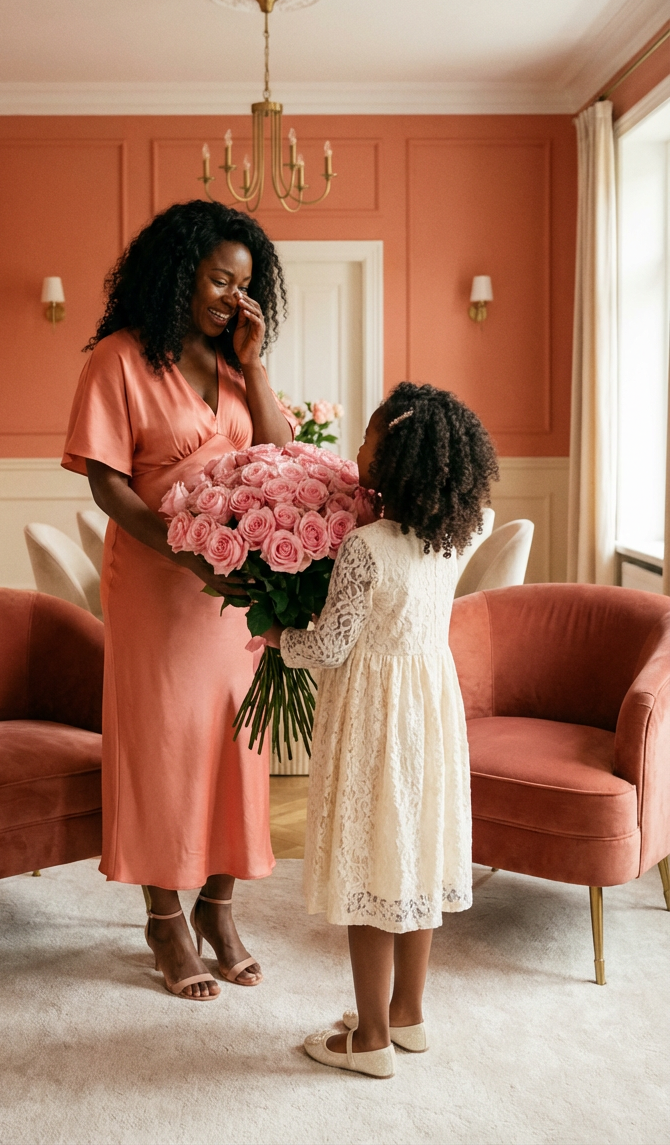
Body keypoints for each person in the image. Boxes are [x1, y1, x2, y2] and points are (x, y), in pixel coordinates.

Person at [62, 200, 293, 1001]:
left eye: (245, 285)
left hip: (238, 598)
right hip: (160, 586)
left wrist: (255, 365)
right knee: (165, 748)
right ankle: (166, 919)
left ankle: (219, 909)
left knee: (239, 744)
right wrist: (190, 556)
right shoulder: (120, 358)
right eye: (219, 278)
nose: (233, 296)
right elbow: (109, 487)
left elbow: (279, 456)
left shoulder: (235, 364)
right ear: (179, 271)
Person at [265, 382, 499, 1077]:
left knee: (369, 862)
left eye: (367, 438)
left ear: (391, 456)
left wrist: (279, 635)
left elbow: (331, 646)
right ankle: (408, 1013)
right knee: (415, 852)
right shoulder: (466, 528)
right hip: (430, 708)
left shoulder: (366, 547)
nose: (357, 449)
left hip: (374, 716)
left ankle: (368, 1039)